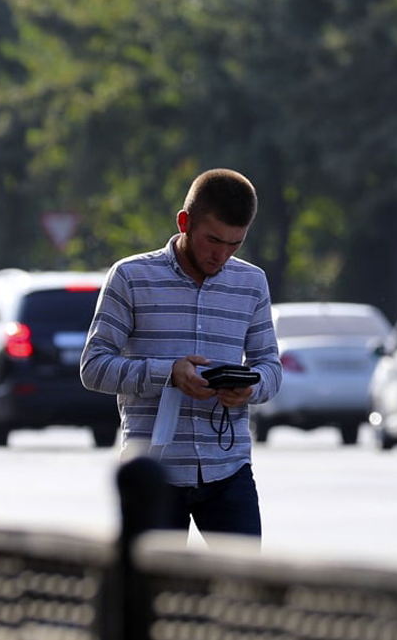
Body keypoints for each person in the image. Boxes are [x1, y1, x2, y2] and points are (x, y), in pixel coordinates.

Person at [80, 168, 281, 540]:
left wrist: (250, 388)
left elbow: (270, 367)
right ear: (184, 221)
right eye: (212, 240)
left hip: (228, 469)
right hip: (153, 472)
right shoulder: (130, 277)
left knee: (244, 591)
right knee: (151, 594)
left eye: (235, 244)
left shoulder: (252, 282)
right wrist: (168, 373)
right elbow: (93, 367)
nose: (221, 254)